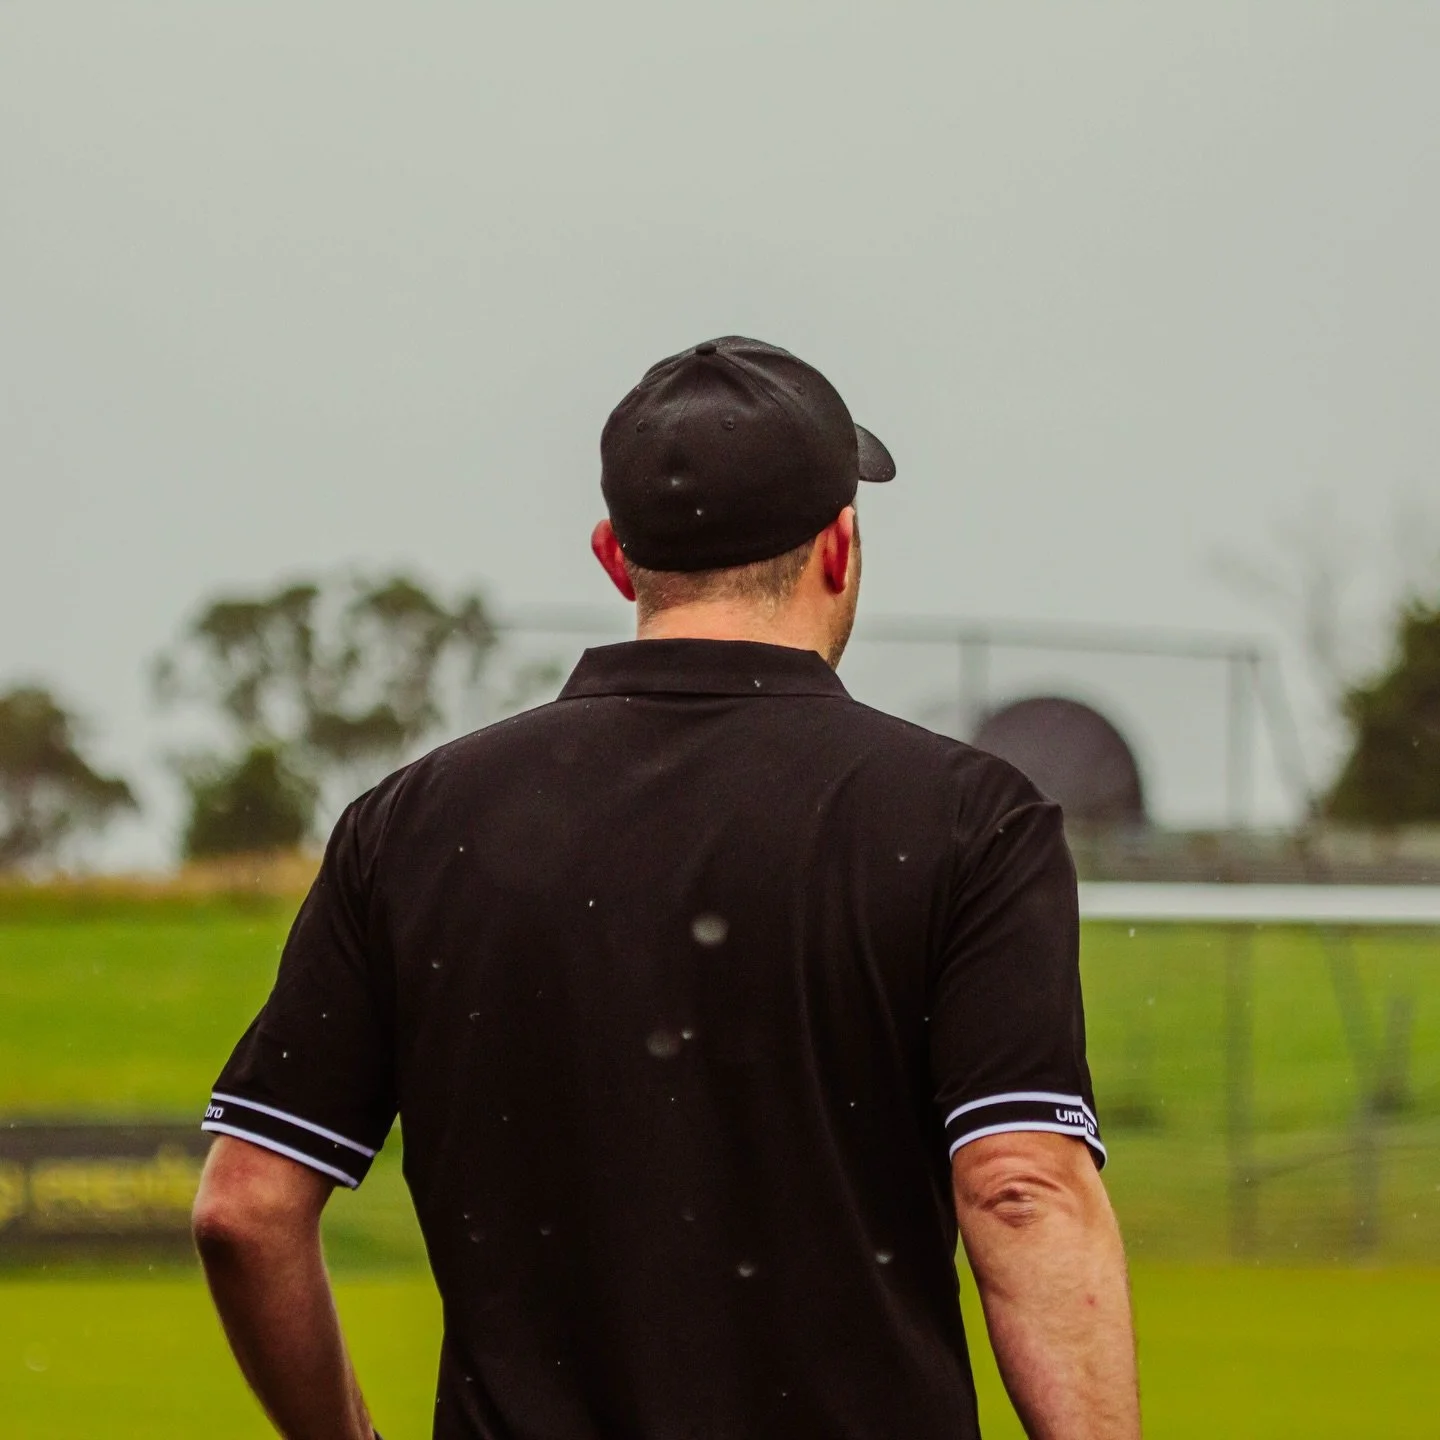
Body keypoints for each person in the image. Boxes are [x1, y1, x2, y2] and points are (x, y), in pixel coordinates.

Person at [192, 335, 1141, 1440]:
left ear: (614, 557)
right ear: (840, 547)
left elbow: (244, 1208)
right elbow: (1021, 1190)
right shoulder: (971, 819)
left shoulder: (413, 824)